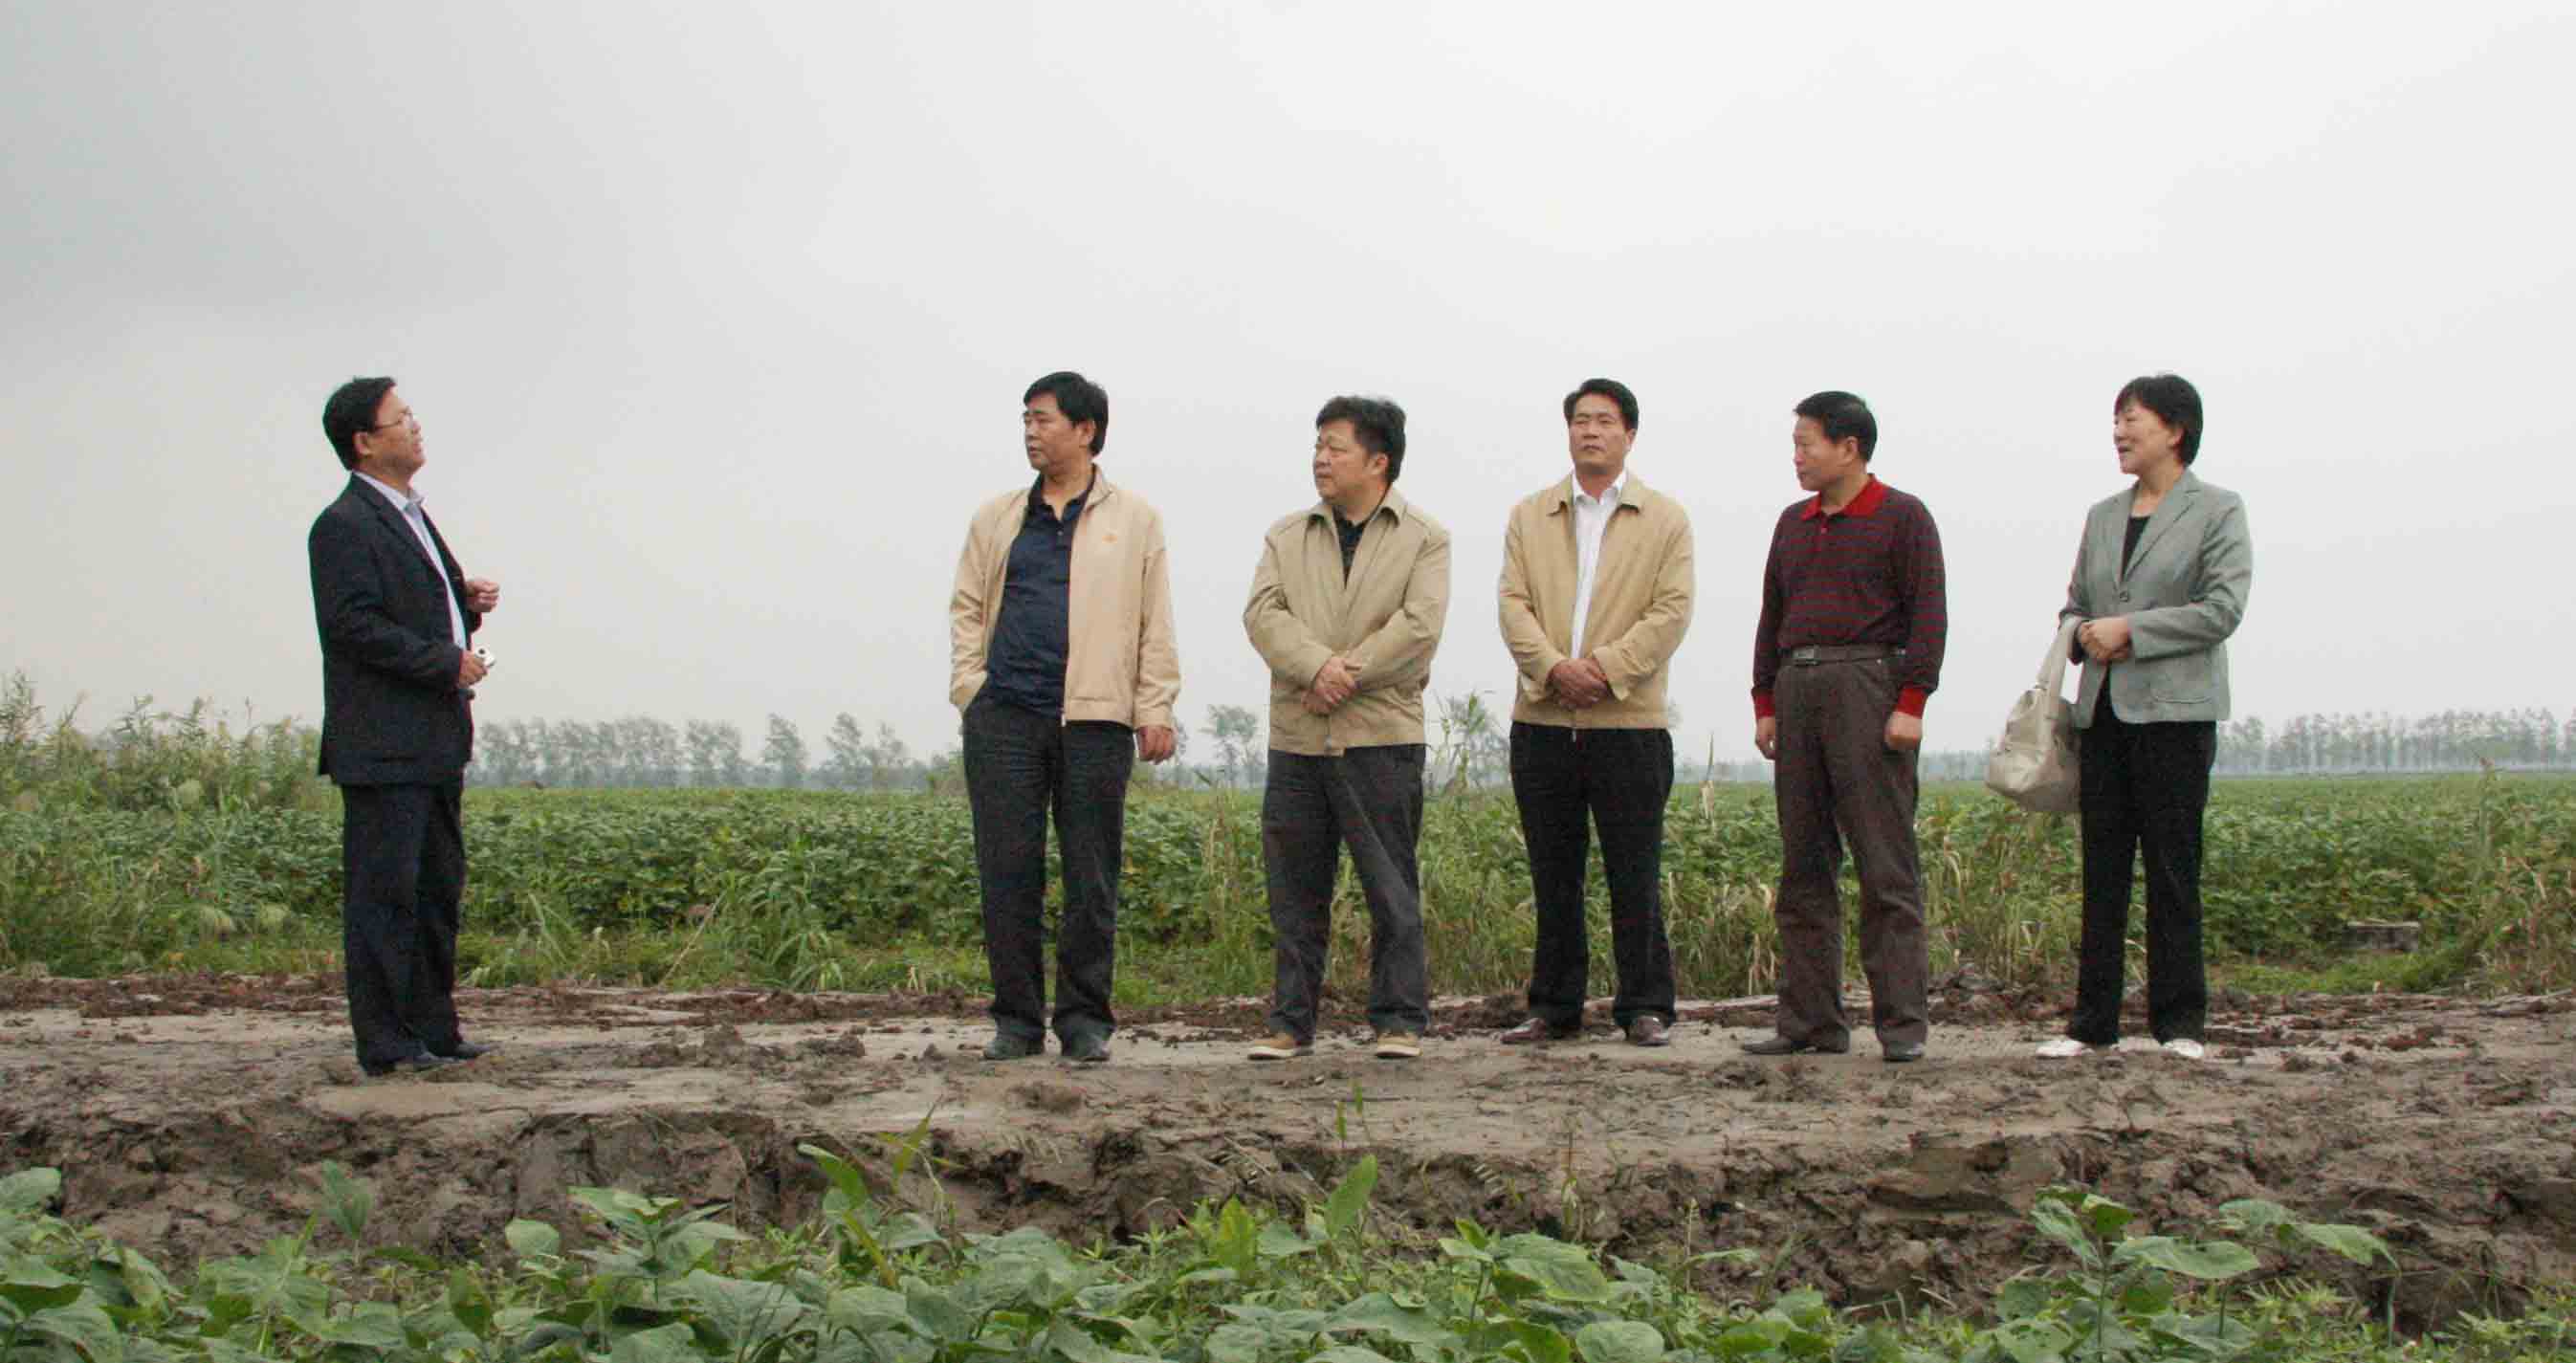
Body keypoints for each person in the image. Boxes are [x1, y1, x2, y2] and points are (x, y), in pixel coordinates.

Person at [949, 371, 1179, 1064]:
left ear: (1085, 430)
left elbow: (1154, 621)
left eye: (1043, 419)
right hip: (1006, 716)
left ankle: (1083, 1020)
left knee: (1091, 874)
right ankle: (1016, 1022)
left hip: (1095, 720)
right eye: (1025, 419)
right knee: (1007, 872)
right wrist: (971, 688)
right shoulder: (996, 517)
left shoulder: (1134, 519)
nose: (1030, 431)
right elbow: (967, 606)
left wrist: (1155, 705)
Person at [2038, 374, 2250, 1063]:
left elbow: (2221, 609)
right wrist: (2081, 632)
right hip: (2103, 714)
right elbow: (2074, 603)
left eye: (2132, 419)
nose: (2119, 432)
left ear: (2175, 429)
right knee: (2102, 871)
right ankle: (2091, 1024)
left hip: (2175, 717)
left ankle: (2179, 1024)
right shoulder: (2103, 515)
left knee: (2171, 869)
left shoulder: (2217, 510)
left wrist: (2131, 629)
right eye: (2116, 420)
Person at [1242, 396, 1452, 1062]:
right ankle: (1289, 1021)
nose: (1320, 459)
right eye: (1317, 446)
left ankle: (1399, 1020)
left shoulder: (1425, 537)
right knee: (1294, 890)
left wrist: (1344, 673)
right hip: (1299, 738)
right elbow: (1263, 614)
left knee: (1390, 886)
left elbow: (1418, 627)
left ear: (1378, 460)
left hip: (1381, 738)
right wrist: (1315, 667)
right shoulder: (1286, 535)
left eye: (1334, 447)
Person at [308, 377, 502, 1077]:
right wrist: (445, 661)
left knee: (434, 891)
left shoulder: (412, 513)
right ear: (364, 441)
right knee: (385, 897)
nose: (415, 426)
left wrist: (463, 602)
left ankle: (434, 1030)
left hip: (434, 739)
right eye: (401, 418)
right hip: (383, 744)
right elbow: (352, 625)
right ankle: (387, 1043)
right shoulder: (343, 524)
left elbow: (408, 603)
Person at [1746, 391, 1947, 1064]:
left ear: (1849, 447)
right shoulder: (1792, 523)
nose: (1796, 457)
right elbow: (1771, 616)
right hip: (1796, 685)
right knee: (1803, 865)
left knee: (1885, 864)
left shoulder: (1903, 516)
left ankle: (1901, 1025)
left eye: (1806, 443)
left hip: (1869, 685)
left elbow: (1928, 614)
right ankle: (1810, 1022)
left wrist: (1912, 701)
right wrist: (1764, 701)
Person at [1495, 379, 1693, 1048]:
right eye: (1580, 420)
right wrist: (1554, 669)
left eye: (1605, 421)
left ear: (1629, 435)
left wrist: (1603, 670)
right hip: (1543, 722)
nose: (1590, 431)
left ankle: (1645, 1005)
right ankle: (1554, 1006)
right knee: (1554, 873)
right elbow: (1512, 605)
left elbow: (1670, 613)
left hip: (1629, 724)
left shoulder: (1665, 519)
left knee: (1634, 870)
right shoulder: (1530, 515)